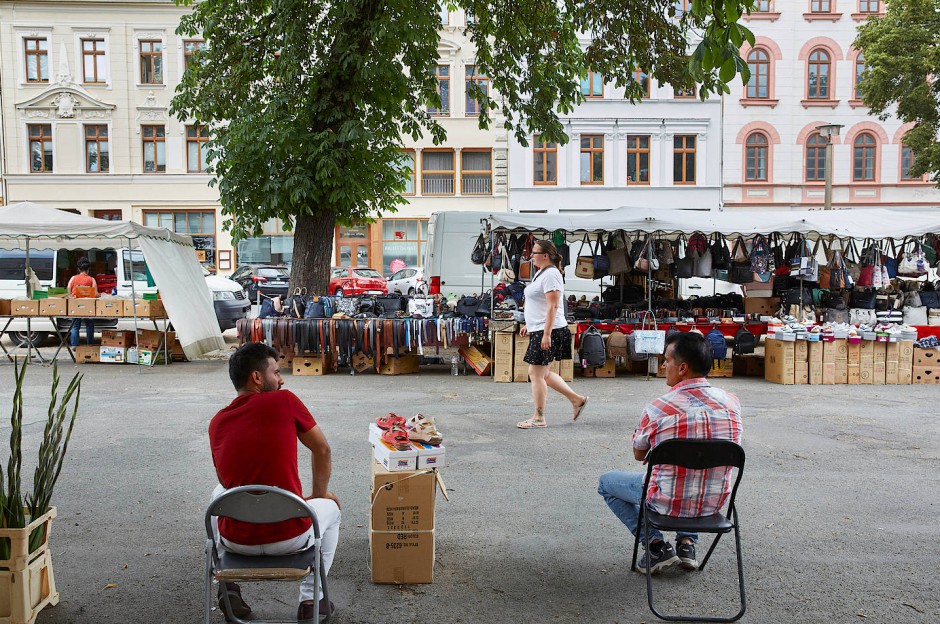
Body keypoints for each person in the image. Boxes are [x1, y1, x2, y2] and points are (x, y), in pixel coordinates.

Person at [209, 343, 341, 623]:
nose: (281, 380)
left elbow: (226, 481)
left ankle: (227, 586)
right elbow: (323, 450)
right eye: (277, 372)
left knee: (217, 495)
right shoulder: (286, 401)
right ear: (257, 378)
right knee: (333, 509)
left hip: (237, 541)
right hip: (289, 538)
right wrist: (318, 496)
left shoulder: (217, 422)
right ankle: (310, 600)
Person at [597, 331, 742, 574]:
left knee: (606, 483)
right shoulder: (732, 403)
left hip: (665, 503)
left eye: (667, 360)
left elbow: (639, 454)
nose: (663, 365)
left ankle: (655, 545)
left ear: (683, 368)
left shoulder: (658, 408)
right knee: (697, 473)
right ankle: (687, 544)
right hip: (713, 504)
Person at [516, 239, 588, 429]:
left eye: (534, 253)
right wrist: (528, 324)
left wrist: (546, 333)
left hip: (549, 330)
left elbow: (553, 306)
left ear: (545, 255)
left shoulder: (551, 275)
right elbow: (538, 303)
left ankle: (539, 418)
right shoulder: (542, 273)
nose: (531, 256)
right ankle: (577, 400)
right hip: (540, 328)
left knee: (536, 373)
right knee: (544, 373)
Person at [67, 258, 98, 347]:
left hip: (76, 305)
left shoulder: (73, 278)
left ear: (78, 269)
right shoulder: (92, 280)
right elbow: (95, 294)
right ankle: (90, 344)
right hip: (88, 307)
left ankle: (74, 345)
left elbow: (68, 291)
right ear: (88, 269)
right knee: (89, 325)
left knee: (75, 326)